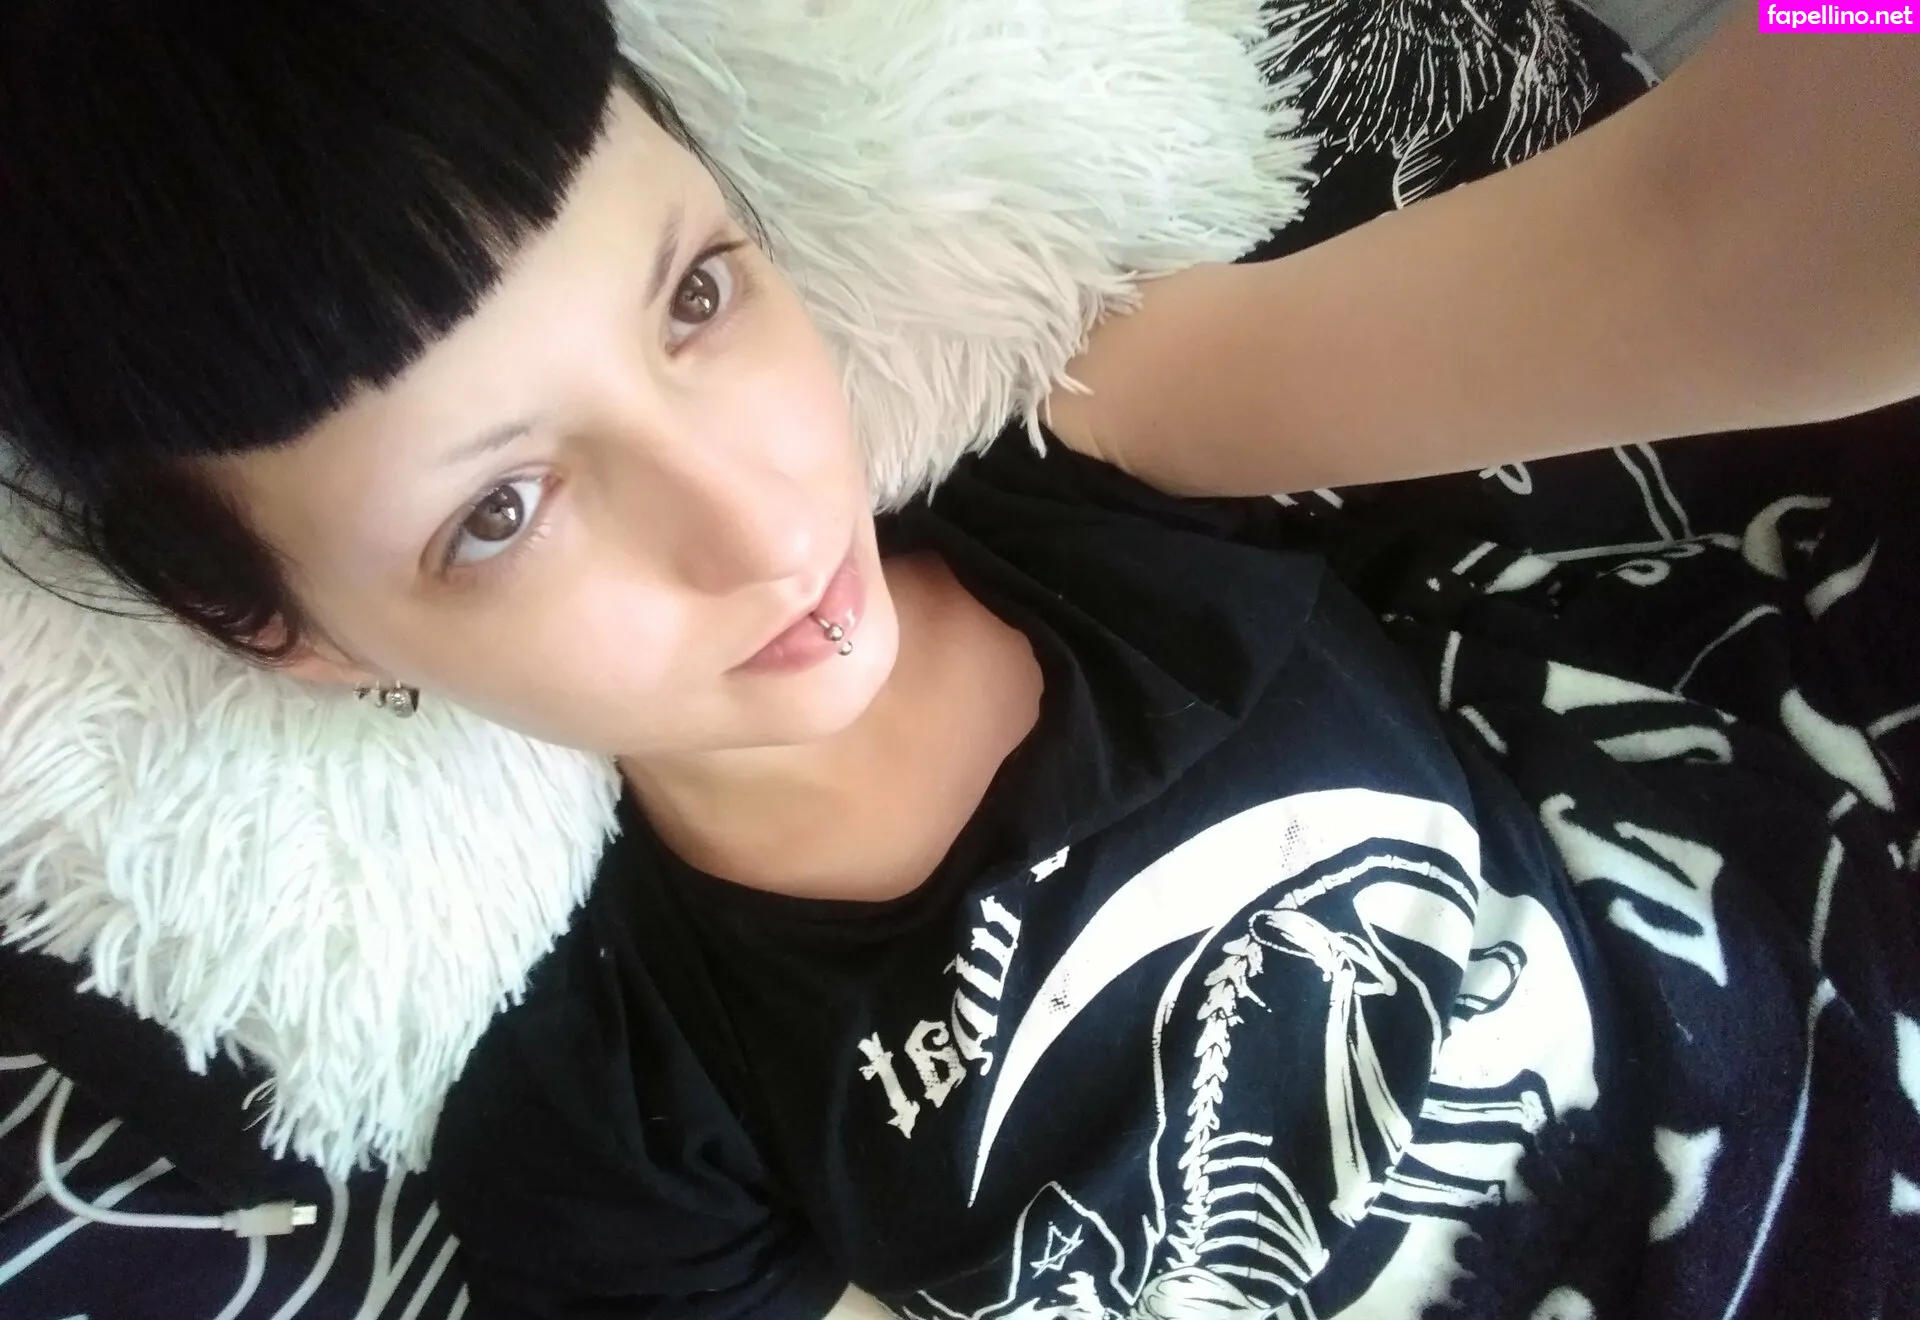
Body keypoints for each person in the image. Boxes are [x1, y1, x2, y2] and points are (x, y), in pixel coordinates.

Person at [0, 3, 1915, 1318]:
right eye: (501, 512)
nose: (759, 520)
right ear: (290, 634)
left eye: (696, 295)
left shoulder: (1105, 460)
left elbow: (1718, 231)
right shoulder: (611, 1121)